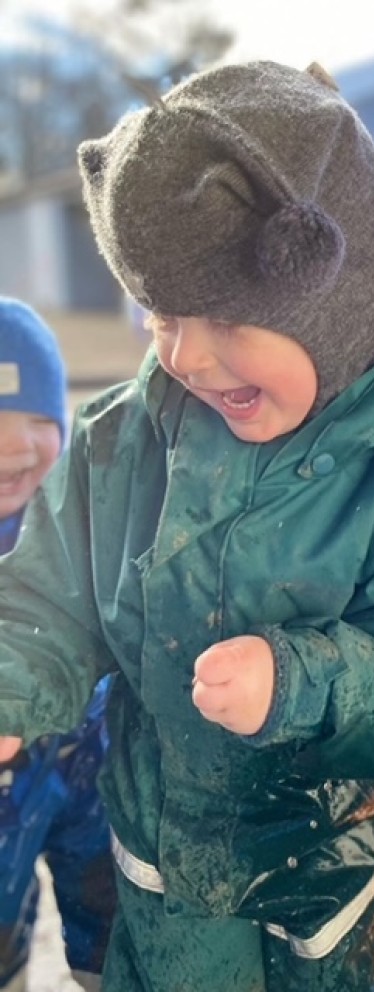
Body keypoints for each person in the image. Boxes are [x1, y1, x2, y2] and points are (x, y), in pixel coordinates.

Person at [0, 60, 374, 992]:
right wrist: (9, 683)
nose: (186, 355)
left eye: (229, 320)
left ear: (337, 306)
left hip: (321, 875)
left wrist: (305, 679)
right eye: (159, 314)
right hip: (160, 860)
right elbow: (52, 592)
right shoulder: (123, 443)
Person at [0, 299, 115, 992]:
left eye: (36, 424)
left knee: (109, 933)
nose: (13, 447)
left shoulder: (93, 516)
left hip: (91, 773)